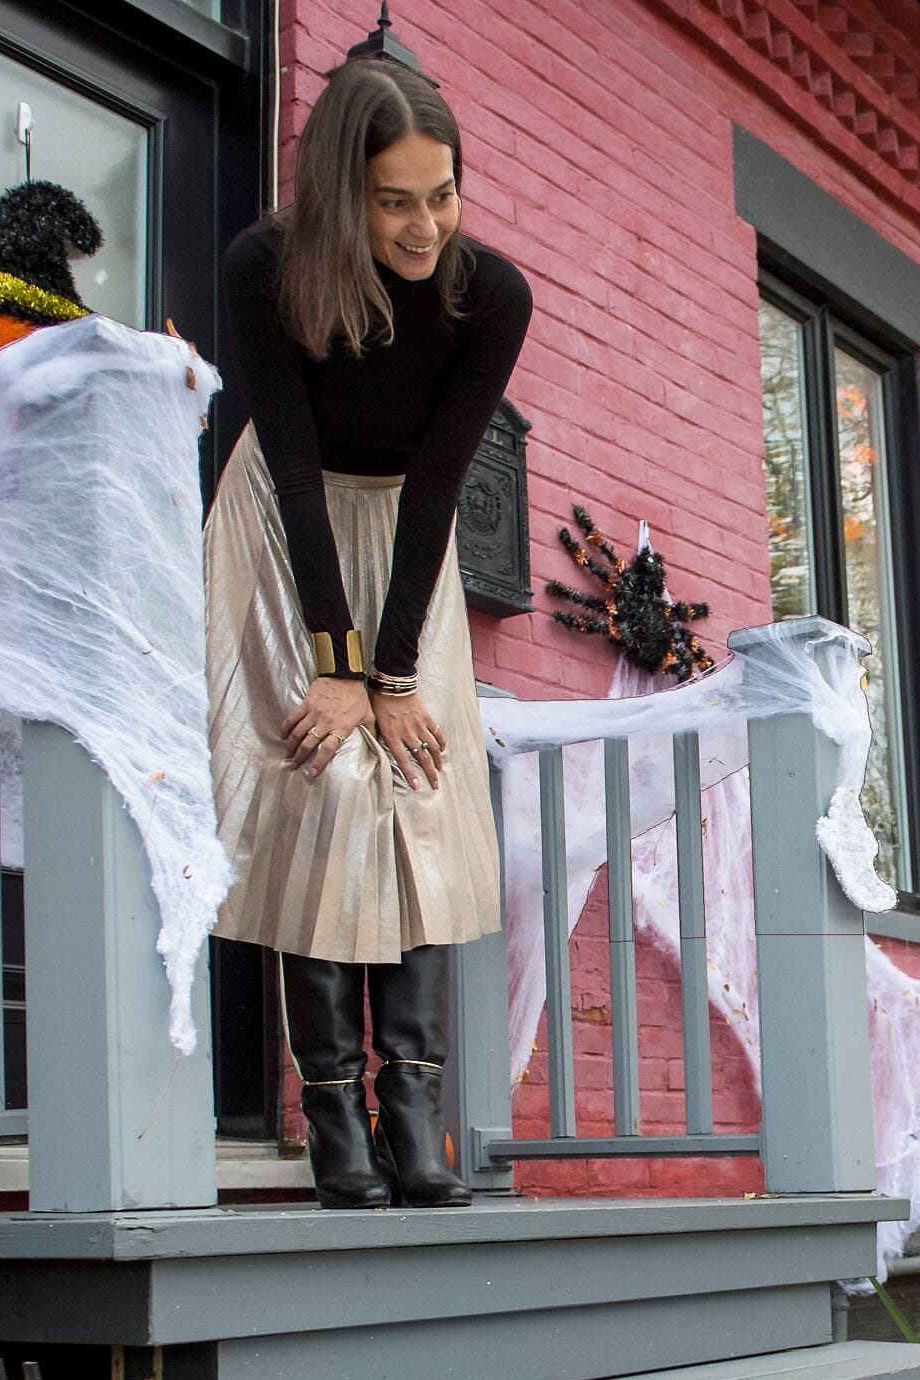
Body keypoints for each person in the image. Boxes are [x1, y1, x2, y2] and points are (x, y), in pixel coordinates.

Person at [206, 57, 531, 1207]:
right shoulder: (265, 268)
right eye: (394, 200)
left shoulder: (490, 296)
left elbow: (440, 484)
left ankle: (419, 1114)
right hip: (282, 528)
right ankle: (334, 1112)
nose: (424, 224)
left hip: (407, 535)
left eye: (441, 194)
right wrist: (337, 670)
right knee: (325, 789)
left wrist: (391, 675)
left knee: (422, 790)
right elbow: (292, 469)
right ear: (344, 193)